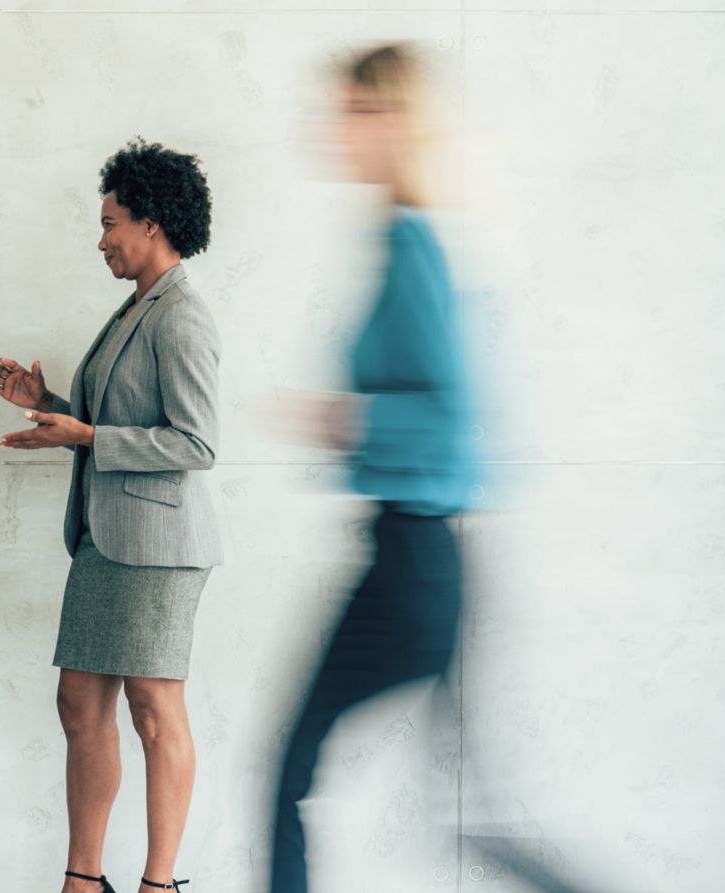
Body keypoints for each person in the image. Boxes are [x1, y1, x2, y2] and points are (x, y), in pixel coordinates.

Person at [0, 138, 221, 893]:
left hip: (156, 544)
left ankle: (159, 883)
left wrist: (85, 434)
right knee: (79, 703)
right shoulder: (134, 309)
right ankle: (83, 880)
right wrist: (47, 405)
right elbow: (114, 417)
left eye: (112, 220)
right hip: (104, 540)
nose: (102, 237)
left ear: (151, 222)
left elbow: (196, 442)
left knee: (153, 709)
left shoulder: (181, 314)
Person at [265, 44, 475, 893]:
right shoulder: (401, 236)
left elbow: (452, 414)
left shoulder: (414, 242)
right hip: (410, 553)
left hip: (415, 560)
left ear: (393, 121)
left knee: (291, 769)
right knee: (471, 816)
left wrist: (346, 416)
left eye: (353, 112)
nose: (337, 130)